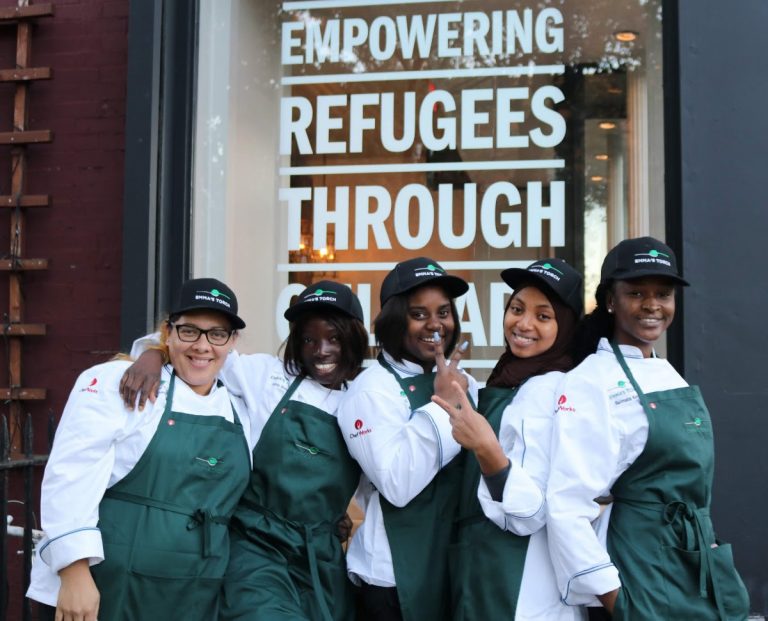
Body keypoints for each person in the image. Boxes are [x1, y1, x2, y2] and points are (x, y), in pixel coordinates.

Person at [120, 280, 369, 621]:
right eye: (309, 339)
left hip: (319, 559)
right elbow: (196, 349)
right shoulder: (268, 377)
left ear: (354, 338)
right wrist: (152, 355)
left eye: (335, 338)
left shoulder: (366, 400)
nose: (321, 350)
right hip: (257, 547)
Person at [546, 237, 750, 620]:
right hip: (641, 573)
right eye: (636, 292)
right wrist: (618, 602)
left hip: (695, 560)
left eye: (663, 293)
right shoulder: (591, 380)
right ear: (610, 300)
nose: (652, 305)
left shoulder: (665, 371)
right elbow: (567, 506)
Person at [26, 278, 253, 621]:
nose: (203, 346)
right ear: (169, 332)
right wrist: (75, 572)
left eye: (217, 334)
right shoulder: (121, 382)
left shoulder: (241, 403)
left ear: (232, 342)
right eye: (190, 330)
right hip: (106, 588)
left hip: (194, 592)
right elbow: (70, 474)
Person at [431, 258, 587, 621]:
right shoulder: (508, 380)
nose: (524, 324)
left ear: (566, 327)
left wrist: (486, 448)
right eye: (517, 309)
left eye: (544, 316)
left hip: (521, 582)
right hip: (481, 563)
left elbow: (530, 512)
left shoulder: (555, 389)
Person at [336, 257, 479, 621]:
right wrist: (445, 403)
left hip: (453, 567)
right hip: (392, 581)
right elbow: (397, 483)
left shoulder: (464, 382)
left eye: (443, 312)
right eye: (419, 314)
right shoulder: (369, 390)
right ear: (394, 320)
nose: (435, 324)